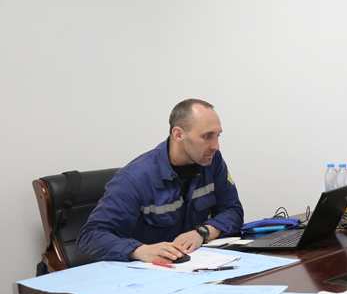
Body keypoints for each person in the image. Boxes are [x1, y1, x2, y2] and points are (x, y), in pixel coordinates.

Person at [77, 99, 244, 263]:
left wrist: (202, 233)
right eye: (207, 136)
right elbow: (90, 236)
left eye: (217, 136)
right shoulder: (135, 178)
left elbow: (233, 210)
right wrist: (140, 251)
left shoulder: (211, 160)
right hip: (150, 271)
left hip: (196, 264)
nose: (216, 146)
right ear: (178, 134)